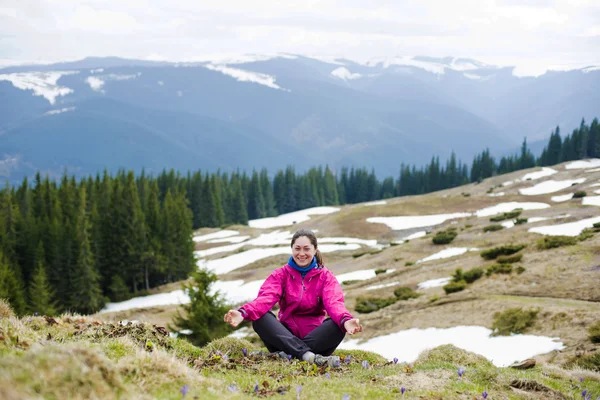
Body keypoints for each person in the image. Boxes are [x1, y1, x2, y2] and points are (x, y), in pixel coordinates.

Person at [223, 228, 363, 367]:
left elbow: (334, 303)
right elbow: (265, 298)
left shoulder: (326, 277)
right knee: (260, 318)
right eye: (297, 249)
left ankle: (289, 355)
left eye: (306, 249)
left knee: (337, 325)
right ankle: (308, 356)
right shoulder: (281, 275)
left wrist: (345, 320)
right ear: (292, 249)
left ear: (315, 250)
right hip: (284, 337)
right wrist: (243, 313)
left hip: (315, 339)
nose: (301, 253)